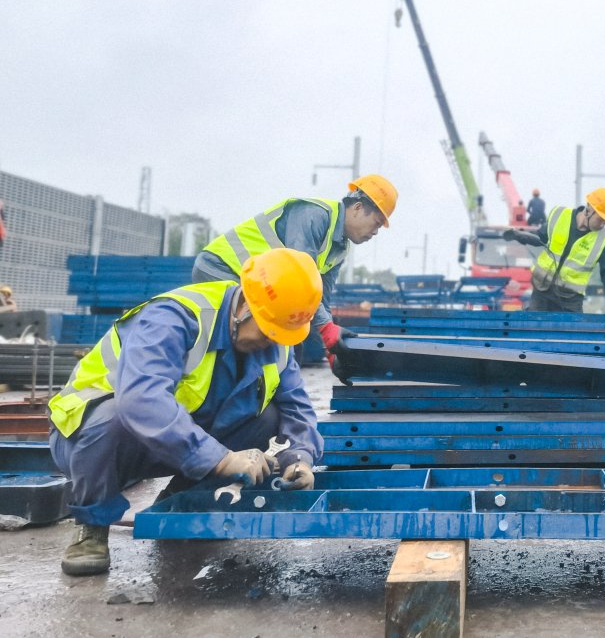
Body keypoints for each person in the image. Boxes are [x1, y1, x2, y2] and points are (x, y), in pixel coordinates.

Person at [48, 247, 325, 576]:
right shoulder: (174, 317)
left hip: (176, 442)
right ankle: (91, 526)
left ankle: (180, 502)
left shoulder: (274, 341)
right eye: (268, 331)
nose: (272, 342)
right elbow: (141, 399)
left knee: (270, 419)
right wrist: (221, 459)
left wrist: (300, 459)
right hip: (92, 440)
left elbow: (298, 409)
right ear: (246, 307)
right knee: (116, 416)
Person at [193, 174, 397, 368]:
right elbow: (299, 285)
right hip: (222, 268)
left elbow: (318, 299)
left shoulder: (340, 248)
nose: (376, 232)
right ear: (358, 208)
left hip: (254, 283)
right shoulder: (313, 215)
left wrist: (331, 347)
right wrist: (326, 329)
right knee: (250, 336)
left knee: (278, 341)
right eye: (377, 223)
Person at [505, 187, 605, 314]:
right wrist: (519, 235)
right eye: (600, 219)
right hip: (542, 290)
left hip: (571, 299)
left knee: (573, 333)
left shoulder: (603, 240)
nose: (602, 224)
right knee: (535, 328)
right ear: (589, 209)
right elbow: (540, 237)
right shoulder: (560, 216)